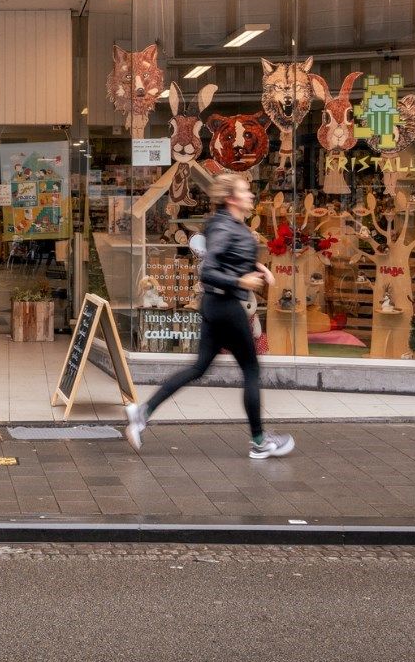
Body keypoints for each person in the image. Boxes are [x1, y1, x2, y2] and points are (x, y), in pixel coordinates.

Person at [124, 172, 295, 460]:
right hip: (227, 306)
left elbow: (228, 255)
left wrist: (258, 267)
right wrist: (241, 282)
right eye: (245, 191)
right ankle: (259, 441)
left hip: (214, 306)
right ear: (232, 198)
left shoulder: (224, 224)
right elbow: (209, 270)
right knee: (251, 370)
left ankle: (142, 413)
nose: (251, 195)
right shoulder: (227, 227)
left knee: (199, 368)